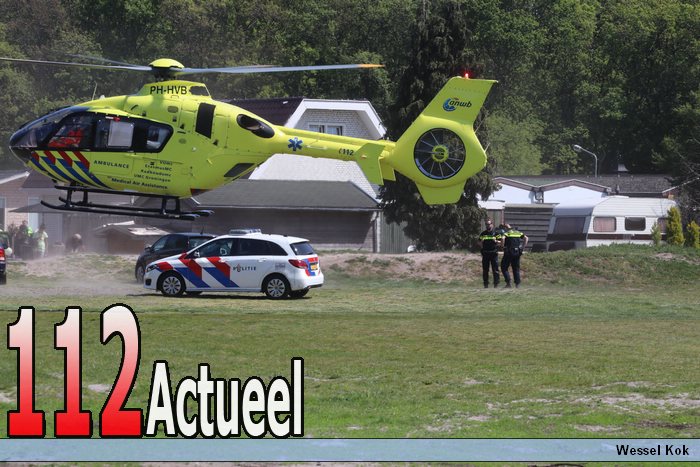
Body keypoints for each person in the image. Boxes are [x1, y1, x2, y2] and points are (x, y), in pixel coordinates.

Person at [500, 224, 528, 288]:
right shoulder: (517, 232)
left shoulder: (507, 233)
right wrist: (522, 247)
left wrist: (502, 247)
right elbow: (526, 238)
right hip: (517, 252)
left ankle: (508, 283)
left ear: (505, 228)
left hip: (509, 252)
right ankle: (517, 284)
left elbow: (502, 238)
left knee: (504, 267)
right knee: (516, 269)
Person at [477, 218, 501, 288]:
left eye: (489, 224)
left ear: (492, 224)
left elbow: (501, 242)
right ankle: (486, 284)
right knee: (485, 270)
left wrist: (496, 241)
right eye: (486, 224)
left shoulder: (496, 233)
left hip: (494, 253)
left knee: (495, 270)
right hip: (485, 253)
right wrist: (481, 243)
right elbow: (478, 242)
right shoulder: (483, 233)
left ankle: (496, 284)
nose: (487, 225)